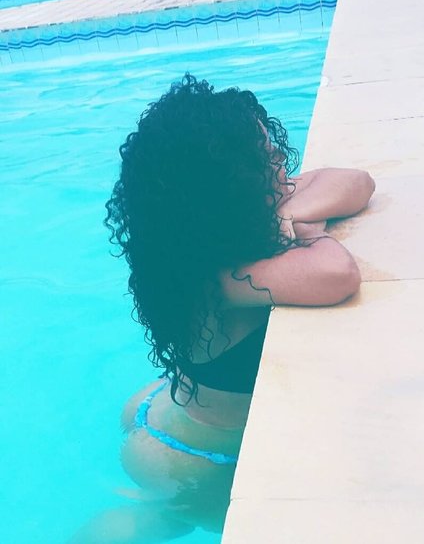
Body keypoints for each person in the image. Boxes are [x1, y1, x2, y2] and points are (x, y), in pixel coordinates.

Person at [70, 74, 375, 543]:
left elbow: (355, 182)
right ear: (229, 183)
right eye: (263, 154)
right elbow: (336, 275)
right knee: (174, 522)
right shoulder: (224, 278)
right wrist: (306, 230)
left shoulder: (206, 244)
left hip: (164, 411)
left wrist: (285, 211)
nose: (280, 156)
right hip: (192, 457)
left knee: (168, 519)